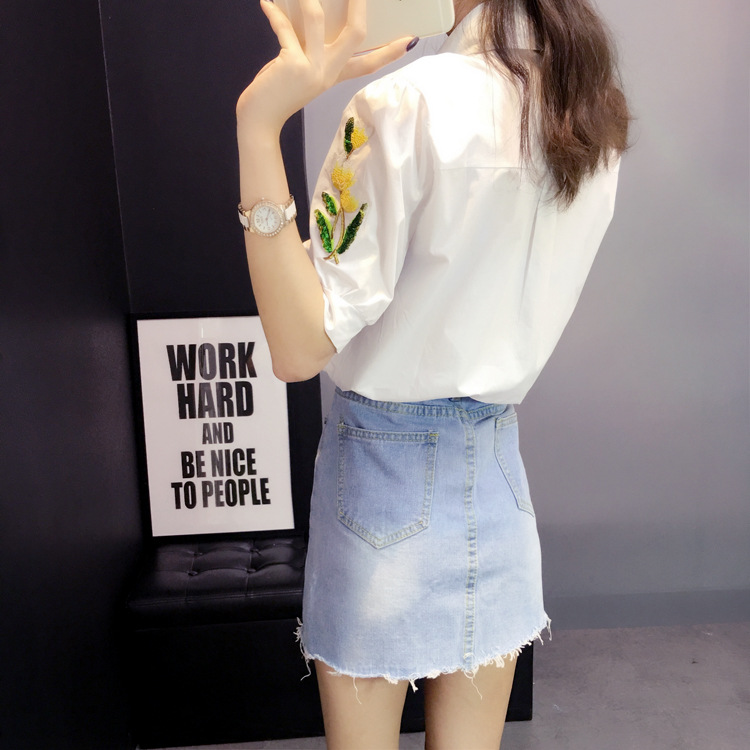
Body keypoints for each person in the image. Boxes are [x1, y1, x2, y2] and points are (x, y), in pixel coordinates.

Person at [235, 0, 630, 747]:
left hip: (378, 482)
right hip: (498, 478)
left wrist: (258, 125)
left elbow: (298, 347)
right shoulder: (588, 112)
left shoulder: (399, 106)